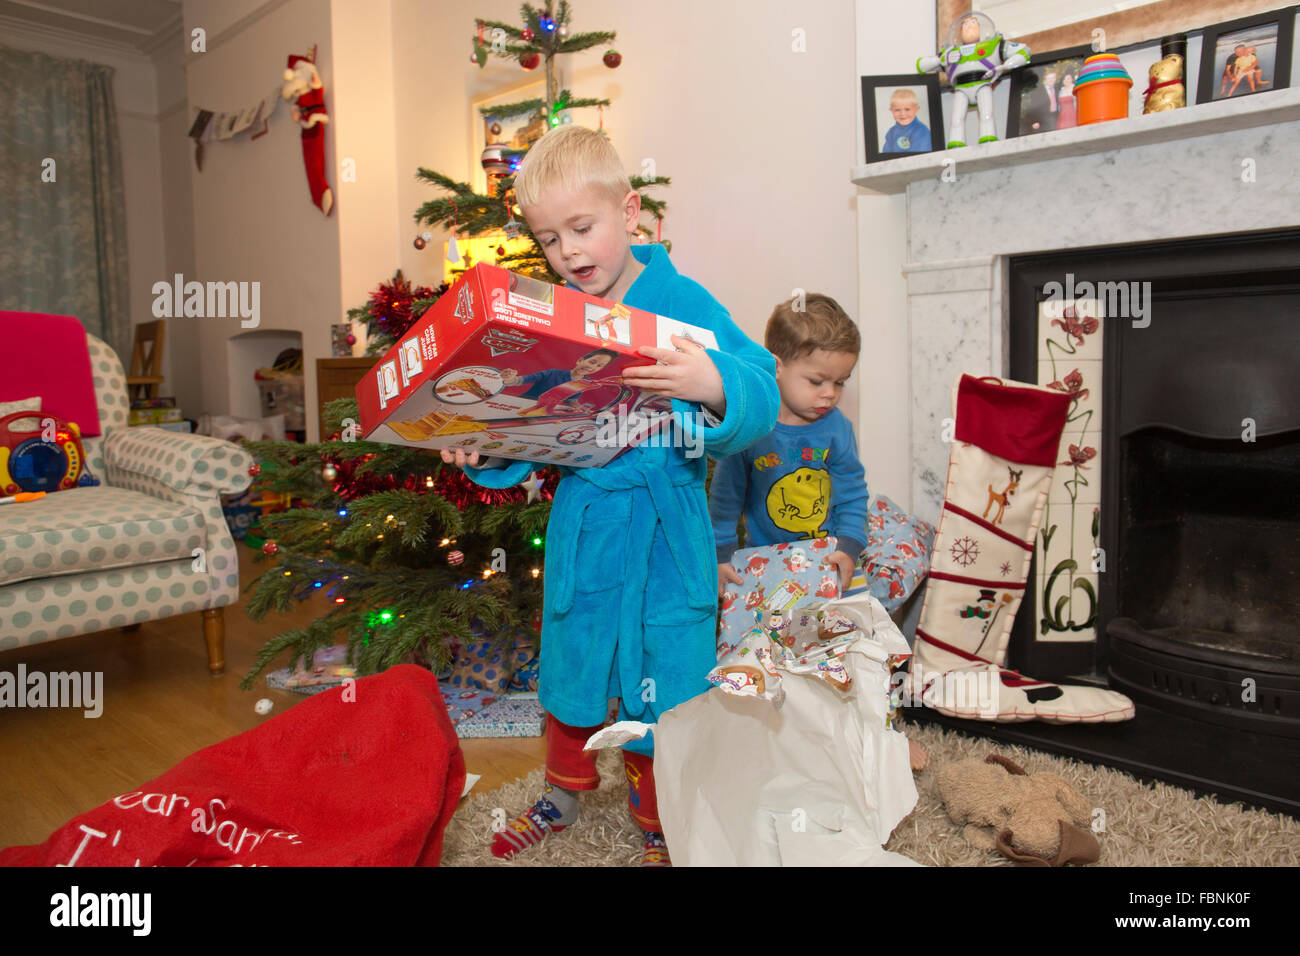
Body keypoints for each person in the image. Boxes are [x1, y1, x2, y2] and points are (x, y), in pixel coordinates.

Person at [440, 125, 778, 866]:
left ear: (630, 214)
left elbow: (764, 384)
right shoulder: (550, 318)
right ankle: (562, 792)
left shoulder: (681, 299)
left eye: (583, 228)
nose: (568, 252)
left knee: (671, 677)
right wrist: (483, 445)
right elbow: (528, 426)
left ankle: (662, 818)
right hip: (588, 520)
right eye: (549, 239)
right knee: (575, 662)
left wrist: (710, 382)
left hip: (667, 527)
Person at [708, 293, 928, 771]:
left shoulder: (836, 430)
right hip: (771, 569)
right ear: (776, 365)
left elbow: (852, 492)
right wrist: (722, 554)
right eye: (817, 381)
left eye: (841, 383)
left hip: (832, 563)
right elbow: (725, 498)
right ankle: (782, 741)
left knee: (866, 648)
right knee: (774, 653)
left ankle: (881, 732)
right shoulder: (751, 429)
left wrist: (850, 547)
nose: (829, 393)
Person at [881, 88, 932, 153]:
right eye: (897, 110)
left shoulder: (922, 131)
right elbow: (885, 155)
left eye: (907, 109)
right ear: (891, 110)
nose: (902, 114)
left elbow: (918, 157)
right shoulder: (891, 132)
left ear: (916, 109)